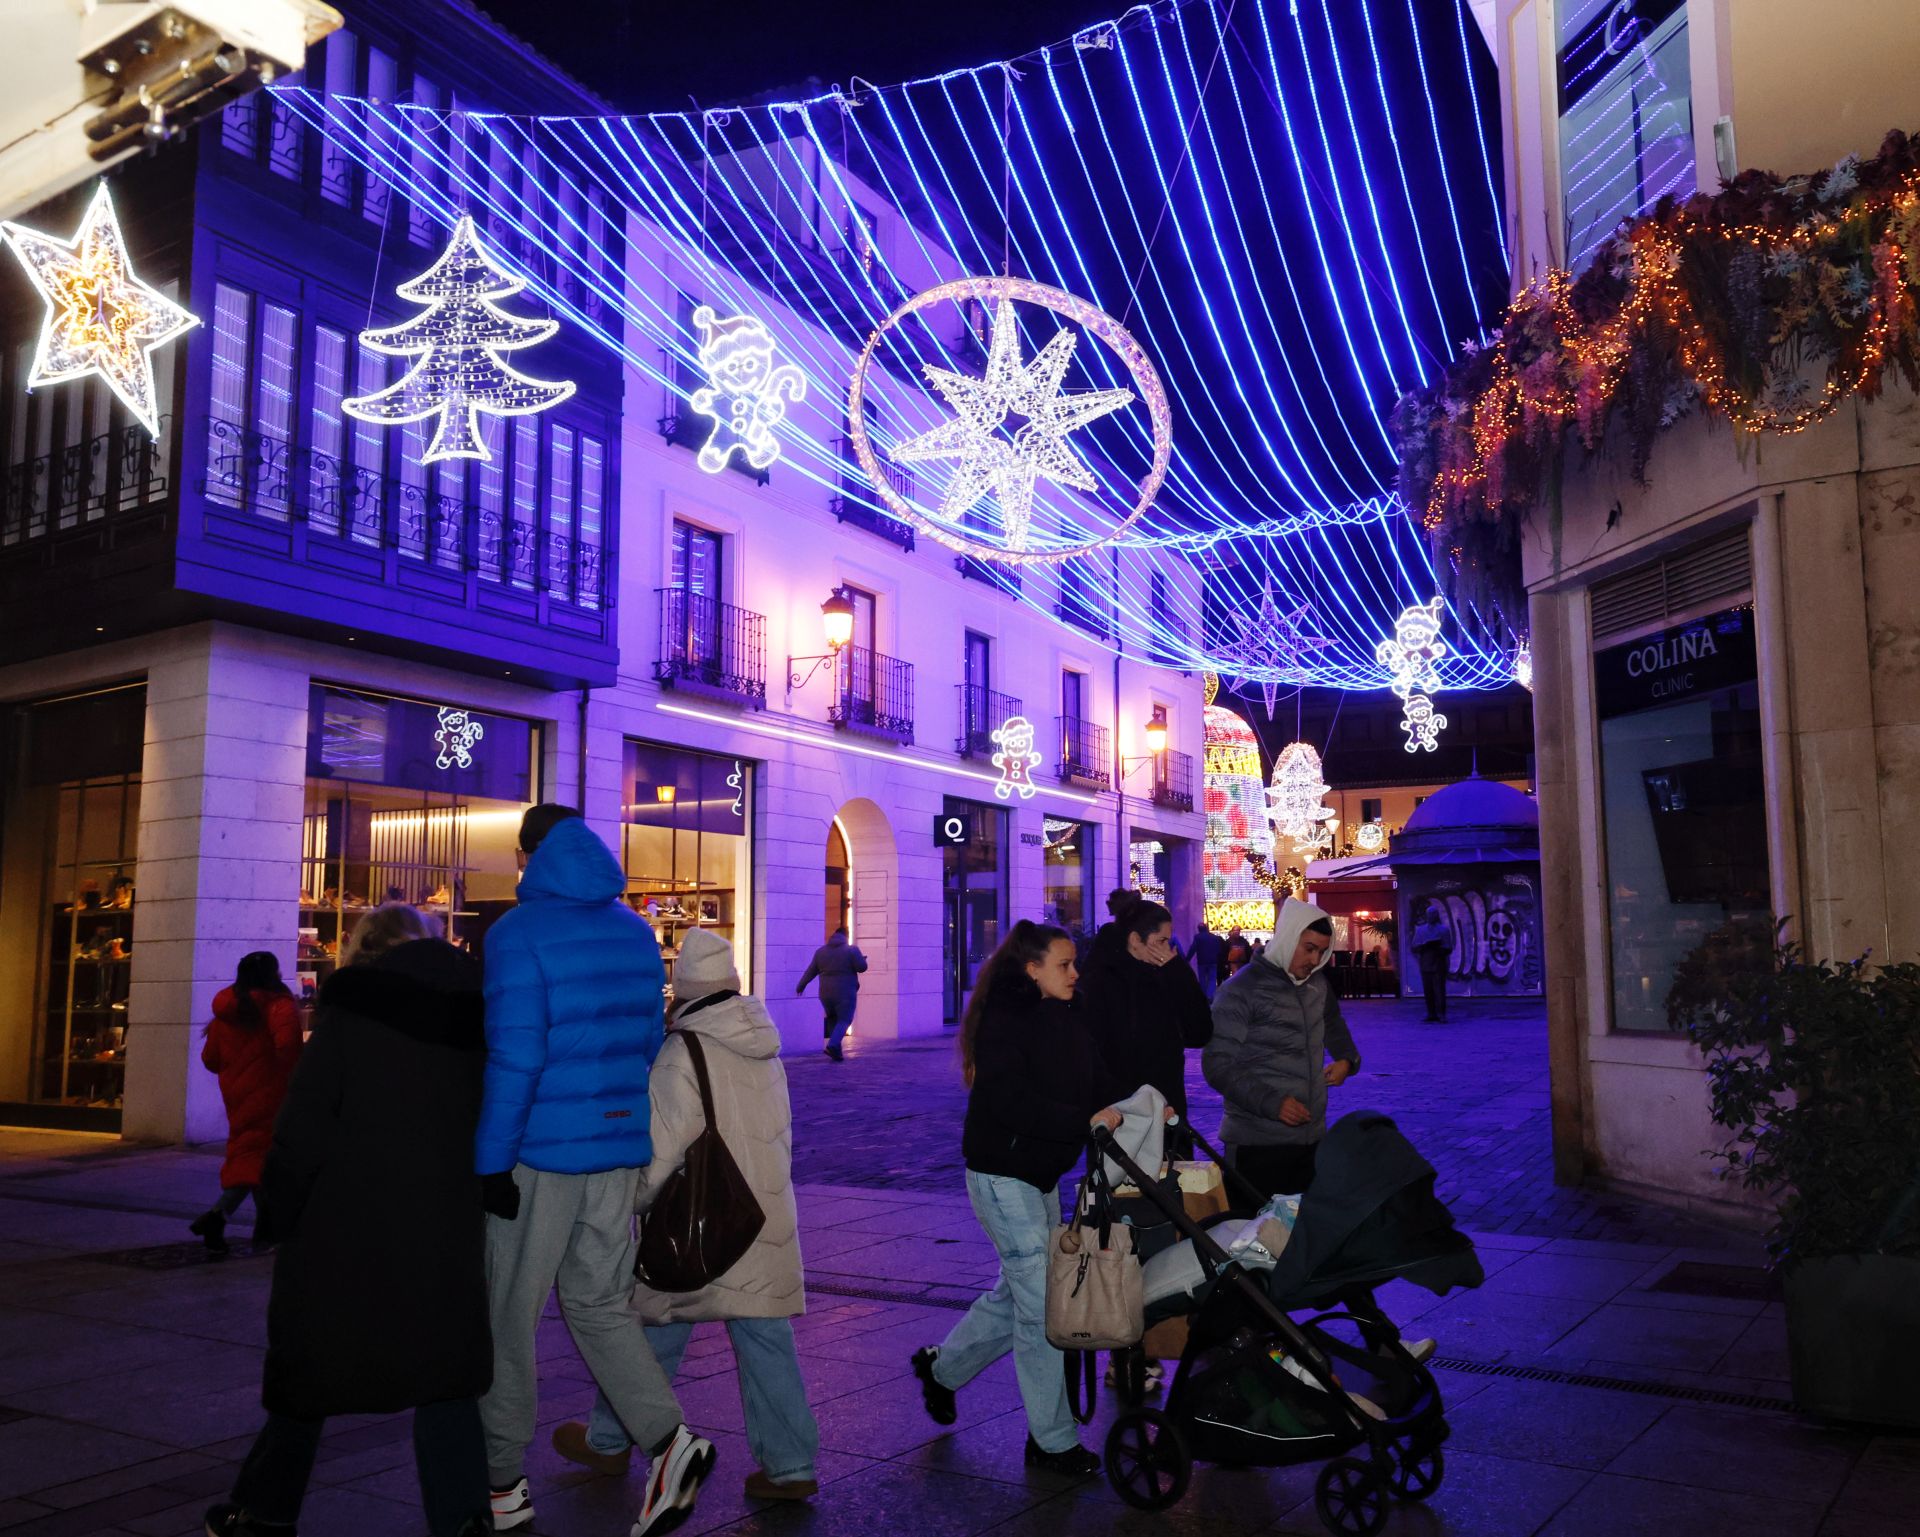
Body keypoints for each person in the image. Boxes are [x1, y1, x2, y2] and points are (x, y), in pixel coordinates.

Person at [203, 905, 492, 1537]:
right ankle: (465, 1519)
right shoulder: (479, 1015)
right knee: (445, 1375)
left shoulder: (349, 1016)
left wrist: (276, 1210)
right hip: (444, 1226)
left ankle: (264, 1514)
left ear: (365, 952)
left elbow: (302, 1129)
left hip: (343, 1226)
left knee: (309, 1370)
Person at [475, 804, 714, 1537]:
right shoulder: (635, 931)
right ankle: (671, 1442)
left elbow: (515, 1058)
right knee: (600, 1306)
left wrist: (490, 1161)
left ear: (529, 853)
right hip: (615, 1150)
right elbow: (648, 1041)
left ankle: (503, 1484)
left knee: (507, 1318)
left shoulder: (516, 934)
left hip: (538, 1156)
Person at [554, 929, 821, 1503]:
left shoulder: (683, 1052)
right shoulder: (766, 1043)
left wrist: (630, 1203)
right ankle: (791, 1464)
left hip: (700, 1222)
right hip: (764, 1215)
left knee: (653, 1326)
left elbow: (662, 1151)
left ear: (683, 992)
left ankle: (607, 1441)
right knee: (764, 1338)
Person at [909, 921, 1125, 1477]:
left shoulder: (1067, 1012)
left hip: (1042, 1176)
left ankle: (942, 1370)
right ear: (1032, 969)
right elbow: (1012, 1103)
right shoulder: (1005, 1020)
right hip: (1003, 1176)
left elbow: (1096, 1076)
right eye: (1064, 964)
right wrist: (1084, 1121)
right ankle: (1052, 1441)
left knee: (1017, 1295)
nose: (1075, 973)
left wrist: (1138, 1106)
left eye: (1075, 963)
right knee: (1042, 1310)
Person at [1203, 897, 1361, 1201]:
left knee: (1303, 1236)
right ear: (1288, 938)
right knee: (1251, 1238)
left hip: (1311, 1140)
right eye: (1309, 948)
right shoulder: (1240, 989)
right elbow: (1217, 1065)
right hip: (1256, 1143)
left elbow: (1333, 1023)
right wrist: (1272, 1103)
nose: (1314, 960)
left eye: (1322, 951)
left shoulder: (1317, 984)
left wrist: (1347, 1059)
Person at [193, 951, 303, 1254]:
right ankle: (246, 1224)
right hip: (273, 1093)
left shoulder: (227, 1011)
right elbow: (289, 1048)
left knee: (251, 1156)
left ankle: (248, 1225)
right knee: (263, 1160)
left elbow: (210, 1059)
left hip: (238, 1095)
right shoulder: (279, 1006)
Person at [1079, 893, 1213, 1141]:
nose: (1167, 950)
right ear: (1135, 940)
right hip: (1122, 1116)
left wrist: (1180, 974)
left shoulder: (1166, 976)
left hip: (1168, 1111)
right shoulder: (1100, 982)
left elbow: (1200, 1032)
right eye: (1161, 941)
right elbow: (1095, 1057)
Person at [796, 927, 867, 1062]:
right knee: (845, 1019)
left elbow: (811, 971)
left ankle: (837, 1053)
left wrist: (801, 985)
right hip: (845, 991)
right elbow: (862, 968)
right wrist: (863, 959)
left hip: (825, 992)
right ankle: (833, 1045)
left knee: (832, 1018)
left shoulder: (821, 952)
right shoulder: (851, 950)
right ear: (846, 935)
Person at [1411, 902, 1454, 1022]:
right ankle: (1431, 1013)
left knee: (1440, 990)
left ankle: (1441, 1014)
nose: (1431, 916)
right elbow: (1414, 947)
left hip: (1439, 964)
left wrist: (1438, 948)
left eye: (1434, 914)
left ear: (1437, 915)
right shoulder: (1420, 930)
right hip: (1425, 964)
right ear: (1426, 915)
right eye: (1429, 914)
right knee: (1428, 990)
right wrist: (1424, 946)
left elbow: (1449, 947)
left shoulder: (1444, 930)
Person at [1188, 921, 1225, 1001]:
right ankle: (1210, 995)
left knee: (1202, 979)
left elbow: (1193, 949)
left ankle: (1204, 996)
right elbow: (1218, 950)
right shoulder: (1214, 937)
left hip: (1202, 961)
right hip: (1213, 961)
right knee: (1212, 979)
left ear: (1199, 929)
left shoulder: (1198, 937)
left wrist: (1187, 959)